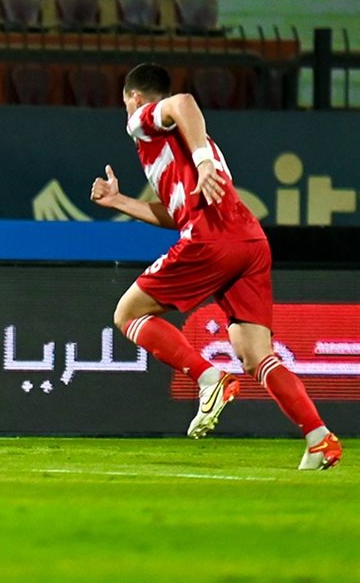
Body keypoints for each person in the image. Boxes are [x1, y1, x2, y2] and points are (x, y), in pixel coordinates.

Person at [91, 63, 341, 469]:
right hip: (249, 240)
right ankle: (319, 438)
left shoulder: (142, 122)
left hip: (211, 239)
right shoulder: (186, 142)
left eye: (126, 104)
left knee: (128, 313)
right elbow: (177, 212)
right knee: (255, 354)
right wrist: (119, 202)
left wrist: (204, 163)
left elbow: (184, 101)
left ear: (134, 98)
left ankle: (209, 378)